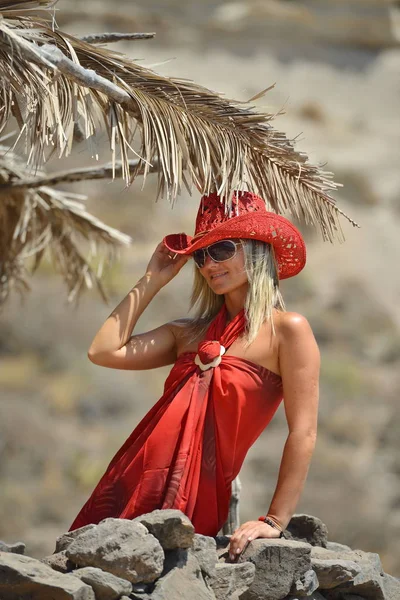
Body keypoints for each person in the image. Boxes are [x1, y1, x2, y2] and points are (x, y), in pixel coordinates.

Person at [69, 190, 320, 562]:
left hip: (197, 498)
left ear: (255, 249)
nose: (208, 264)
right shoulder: (186, 333)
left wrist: (274, 519)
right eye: (201, 255)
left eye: (221, 250)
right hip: (129, 482)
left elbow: (304, 431)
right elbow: (103, 350)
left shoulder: (287, 331)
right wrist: (153, 278)